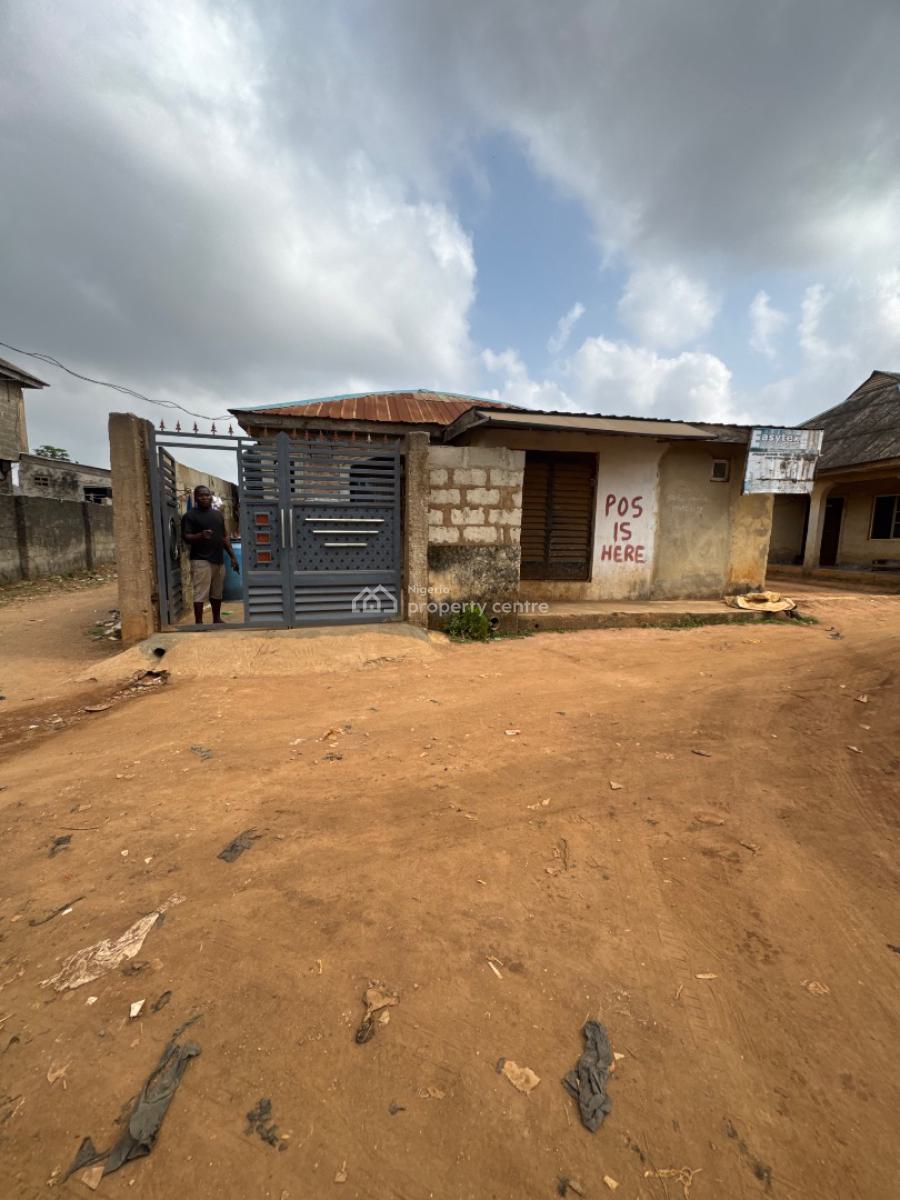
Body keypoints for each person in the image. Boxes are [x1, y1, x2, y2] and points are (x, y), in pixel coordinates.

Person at [181, 485, 239, 624]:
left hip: (218, 559)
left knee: (217, 592)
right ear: (196, 497)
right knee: (201, 592)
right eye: (201, 495)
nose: (205, 498)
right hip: (201, 560)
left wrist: (232, 556)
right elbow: (186, 537)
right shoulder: (190, 516)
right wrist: (201, 535)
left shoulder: (217, 514)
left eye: (207, 495)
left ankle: (217, 618)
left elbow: (224, 537)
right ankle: (199, 623)